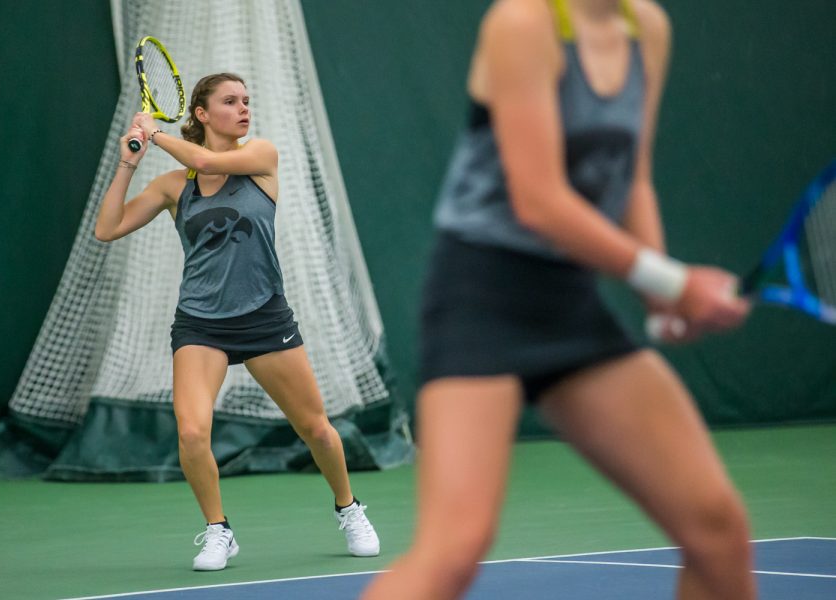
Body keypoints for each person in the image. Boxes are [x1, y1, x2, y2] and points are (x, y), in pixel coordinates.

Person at [362, 0, 755, 598]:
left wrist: (658, 294)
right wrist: (676, 282)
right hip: (480, 296)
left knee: (716, 531)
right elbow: (538, 200)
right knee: (456, 547)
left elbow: (633, 176)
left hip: (569, 299)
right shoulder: (522, 24)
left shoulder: (647, 28)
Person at [94, 72, 379, 571]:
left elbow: (204, 158)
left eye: (246, 100)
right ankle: (218, 530)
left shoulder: (261, 158)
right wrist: (128, 161)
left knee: (315, 429)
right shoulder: (172, 188)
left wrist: (156, 135)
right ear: (202, 114)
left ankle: (349, 508)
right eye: (230, 101)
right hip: (201, 324)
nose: (243, 108)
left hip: (265, 317)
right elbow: (107, 228)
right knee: (191, 433)